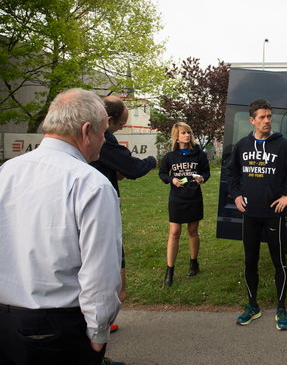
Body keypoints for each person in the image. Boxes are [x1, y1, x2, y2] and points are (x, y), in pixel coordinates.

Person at [0, 89, 124, 365]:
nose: (104, 141)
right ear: (86, 131)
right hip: (57, 326)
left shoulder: (7, 171)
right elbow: (100, 273)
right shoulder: (91, 184)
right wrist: (98, 332)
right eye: (104, 132)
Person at [227, 99, 287, 331]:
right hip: (251, 215)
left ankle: (282, 308)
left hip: (273, 215)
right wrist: (236, 195)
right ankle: (252, 306)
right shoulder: (242, 146)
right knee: (250, 261)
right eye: (262, 117)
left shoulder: (283, 146)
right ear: (252, 120)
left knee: (279, 262)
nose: (267, 121)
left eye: (269, 117)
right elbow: (231, 173)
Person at [91, 96, 157, 329]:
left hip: (100, 213)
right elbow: (133, 169)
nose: (122, 129)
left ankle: (99, 326)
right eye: (121, 125)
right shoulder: (105, 140)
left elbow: (117, 169)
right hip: (100, 218)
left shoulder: (98, 145)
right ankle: (98, 330)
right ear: (108, 120)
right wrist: (152, 160)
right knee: (115, 281)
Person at [159, 122, 210, 287]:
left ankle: (194, 262)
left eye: (188, 132)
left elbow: (206, 171)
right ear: (176, 136)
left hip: (194, 196)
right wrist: (171, 179)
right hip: (177, 198)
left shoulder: (199, 154)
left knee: (192, 231)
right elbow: (162, 173)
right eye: (183, 133)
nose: (187, 135)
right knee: (174, 232)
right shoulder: (170, 156)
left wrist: (202, 178)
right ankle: (170, 270)